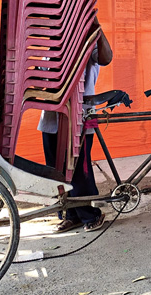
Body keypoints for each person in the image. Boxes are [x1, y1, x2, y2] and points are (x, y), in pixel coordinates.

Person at [39, 20, 113, 233]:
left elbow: (107, 58)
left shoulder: (87, 46)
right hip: (51, 121)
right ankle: (70, 215)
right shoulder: (48, 51)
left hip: (80, 119)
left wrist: (96, 25)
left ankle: (90, 214)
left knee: (79, 172)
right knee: (56, 171)